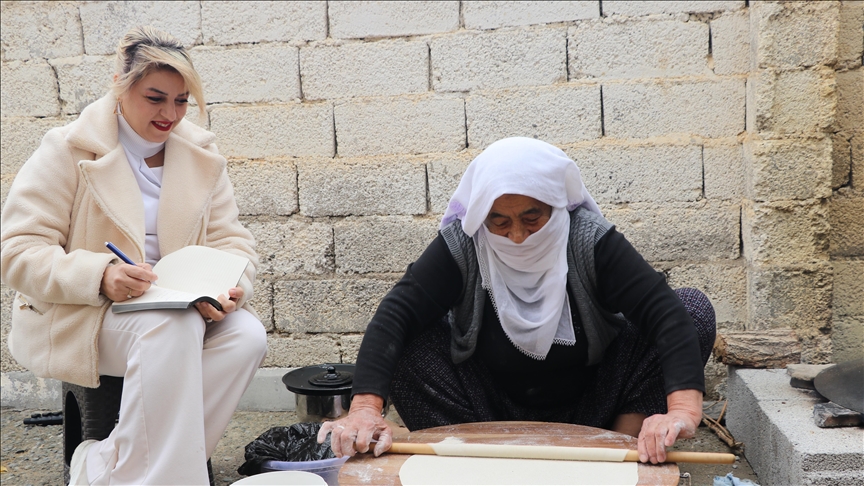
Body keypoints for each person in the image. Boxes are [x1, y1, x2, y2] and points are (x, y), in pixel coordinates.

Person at [318, 137, 716, 465]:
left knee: (692, 309)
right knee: (410, 343)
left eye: (532, 217)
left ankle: (617, 452)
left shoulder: (586, 238)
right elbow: (395, 316)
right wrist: (365, 409)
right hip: (487, 411)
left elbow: (665, 313)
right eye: (500, 221)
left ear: (555, 205)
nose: (518, 237)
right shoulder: (465, 243)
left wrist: (682, 409)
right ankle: (476, 460)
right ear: (481, 216)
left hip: (595, 405)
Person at [0, 26, 267, 485]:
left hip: (178, 308)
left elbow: (235, 243)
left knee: (247, 334)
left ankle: (106, 467)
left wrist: (230, 287)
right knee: (170, 325)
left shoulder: (200, 154)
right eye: (156, 98)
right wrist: (100, 275)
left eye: (181, 101)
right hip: (81, 314)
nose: (170, 114)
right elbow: (16, 252)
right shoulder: (67, 148)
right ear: (121, 88)